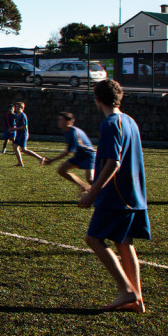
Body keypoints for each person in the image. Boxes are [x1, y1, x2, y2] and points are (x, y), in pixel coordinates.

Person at [78, 79, 149, 313]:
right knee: (124, 242)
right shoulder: (130, 121)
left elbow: (113, 162)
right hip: (133, 193)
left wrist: (93, 192)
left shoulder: (110, 124)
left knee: (94, 239)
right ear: (121, 97)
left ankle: (126, 290)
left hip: (116, 195)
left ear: (97, 99)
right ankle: (136, 298)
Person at [44, 111, 96, 192]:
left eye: (61, 120)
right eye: (58, 120)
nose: (59, 122)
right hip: (79, 156)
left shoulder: (73, 132)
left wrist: (52, 160)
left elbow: (68, 152)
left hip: (88, 156)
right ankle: (84, 186)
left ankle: (107, 192)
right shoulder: (67, 131)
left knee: (90, 179)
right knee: (61, 170)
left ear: (67, 122)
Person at [11, 101, 46, 167]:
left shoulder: (23, 115)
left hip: (23, 134)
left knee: (24, 150)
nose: (16, 108)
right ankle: (20, 163)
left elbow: (24, 126)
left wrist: (14, 129)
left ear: (21, 108)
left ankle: (40, 158)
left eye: (17, 106)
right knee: (15, 147)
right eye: (15, 106)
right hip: (19, 134)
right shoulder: (18, 116)